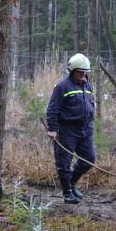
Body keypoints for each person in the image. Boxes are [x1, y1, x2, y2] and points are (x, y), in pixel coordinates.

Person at [46, 52, 96, 204]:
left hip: (85, 129)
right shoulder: (62, 86)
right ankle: (67, 193)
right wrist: (53, 129)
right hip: (66, 130)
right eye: (80, 72)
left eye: (85, 72)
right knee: (64, 163)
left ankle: (72, 183)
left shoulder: (87, 84)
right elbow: (52, 109)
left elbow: (90, 102)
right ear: (73, 71)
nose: (83, 75)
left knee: (89, 159)